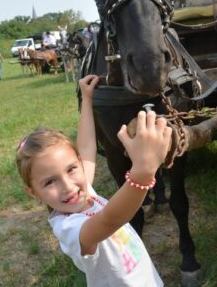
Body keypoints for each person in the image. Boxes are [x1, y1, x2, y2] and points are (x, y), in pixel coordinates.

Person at [16, 74, 171, 286]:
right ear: (32, 192)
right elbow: (109, 219)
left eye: (71, 169)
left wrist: (87, 99)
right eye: (49, 182)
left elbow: (87, 147)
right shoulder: (68, 227)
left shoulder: (83, 192)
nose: (68, 186)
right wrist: (143, 172)